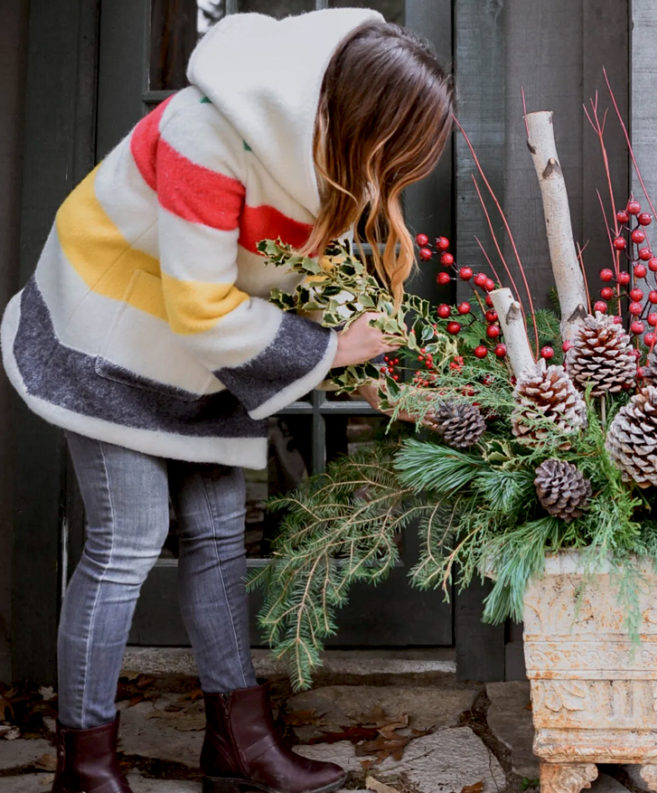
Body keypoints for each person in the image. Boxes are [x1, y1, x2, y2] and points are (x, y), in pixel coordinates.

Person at [0, 8, 454, 793]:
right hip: (109, 332)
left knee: (216, 530)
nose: (396, 171)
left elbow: (301, 278)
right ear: (357, 116)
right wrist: (330, 351)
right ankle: (88, 766)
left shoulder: (318, 156)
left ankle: (238, 746)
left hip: (194, 343)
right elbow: (205, 308)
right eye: (396, 146)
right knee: (128, 538)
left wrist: (376, 377)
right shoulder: (204, 135)